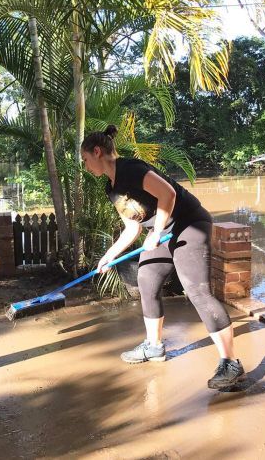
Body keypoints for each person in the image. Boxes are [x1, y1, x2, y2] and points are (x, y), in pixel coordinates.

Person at [80, 125, 245, 389]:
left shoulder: (131, 169)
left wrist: (156, 232)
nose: (86, 166)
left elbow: (167, 193)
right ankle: (154, 346)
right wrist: (108, 256)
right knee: (146, 277)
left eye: (86, 159)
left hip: (189, 224)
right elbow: (133, 227)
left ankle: (231, 363)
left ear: (97, 152)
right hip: (164, 233)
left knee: (196, 290)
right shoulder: (110, 189)